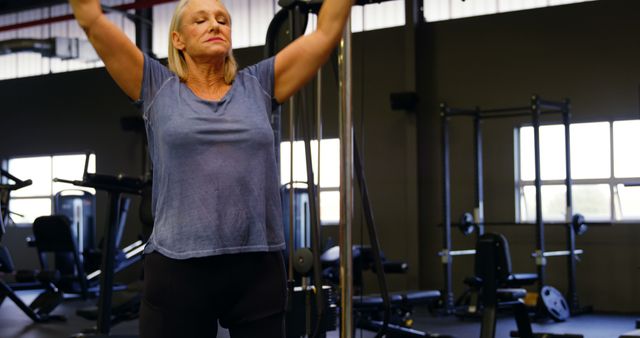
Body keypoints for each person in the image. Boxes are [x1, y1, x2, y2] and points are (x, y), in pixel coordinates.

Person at [69, 0, 353, 337]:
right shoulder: (156, 87)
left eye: (222, 20)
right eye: (200, 20)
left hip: (257, 265)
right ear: (178, 40)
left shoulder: (259, 85)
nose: (215, 25)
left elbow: (326, 31)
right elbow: (90, 17)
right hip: (178, 267)